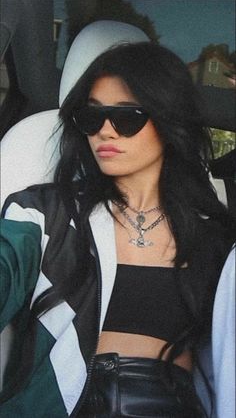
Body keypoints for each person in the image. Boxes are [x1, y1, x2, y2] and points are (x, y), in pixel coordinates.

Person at [0, 41, 235, 417]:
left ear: (168, 119)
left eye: (127, 118)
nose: (105, 132)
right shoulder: (44, 214)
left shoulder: (216, 243)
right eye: (92, 118)